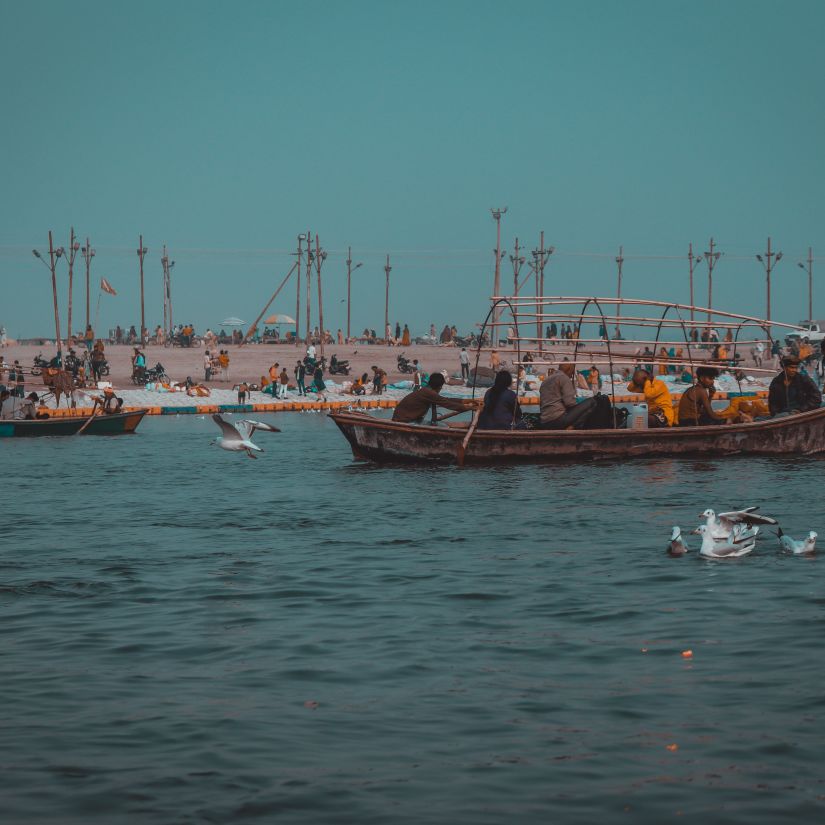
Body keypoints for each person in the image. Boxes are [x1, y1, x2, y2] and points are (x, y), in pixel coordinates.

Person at [392, 371, 472, 423]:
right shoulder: (429, 393)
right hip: (402, 420)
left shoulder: (427, 390)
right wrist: (469, 408)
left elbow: (445, 400)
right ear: (439, 386)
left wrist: (465, 401)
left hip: (402, 417)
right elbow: (447, 403)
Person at [538, 361, 598, 429]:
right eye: (572, 372)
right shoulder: (564, 377)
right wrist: (578, 403)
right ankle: (572, 427)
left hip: (544, 422)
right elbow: (570, 403)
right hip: (558, 420)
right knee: (592, 402)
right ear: (569, 370)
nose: (572, 375)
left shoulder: (545, 381)